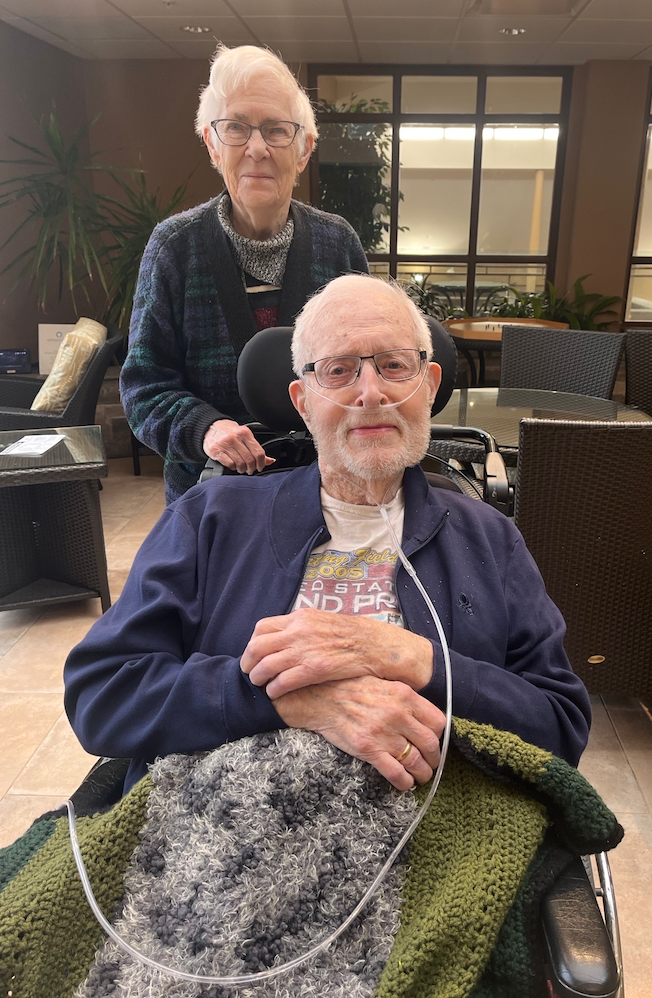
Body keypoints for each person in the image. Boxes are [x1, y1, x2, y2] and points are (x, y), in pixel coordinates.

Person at [66, 275, 591, 795]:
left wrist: (410, 657)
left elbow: (560, 726)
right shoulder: (210, 518)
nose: (371, 393)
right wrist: (285, 699)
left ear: (429, 386)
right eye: (339, 371)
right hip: (217, 825)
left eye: (394, 365)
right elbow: (102, 694)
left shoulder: (491, 540)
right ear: (303, 401)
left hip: (444, 831)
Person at [120, 44, 368, 503]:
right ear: (212, 145)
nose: (257, 148)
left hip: (324, 493)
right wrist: (206, 428)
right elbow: (143, 386)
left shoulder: (338, 245)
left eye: (277, 130)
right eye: (236, 128)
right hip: (212, 497)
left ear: (304, 149)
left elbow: (366, 370)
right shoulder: (174, 248)